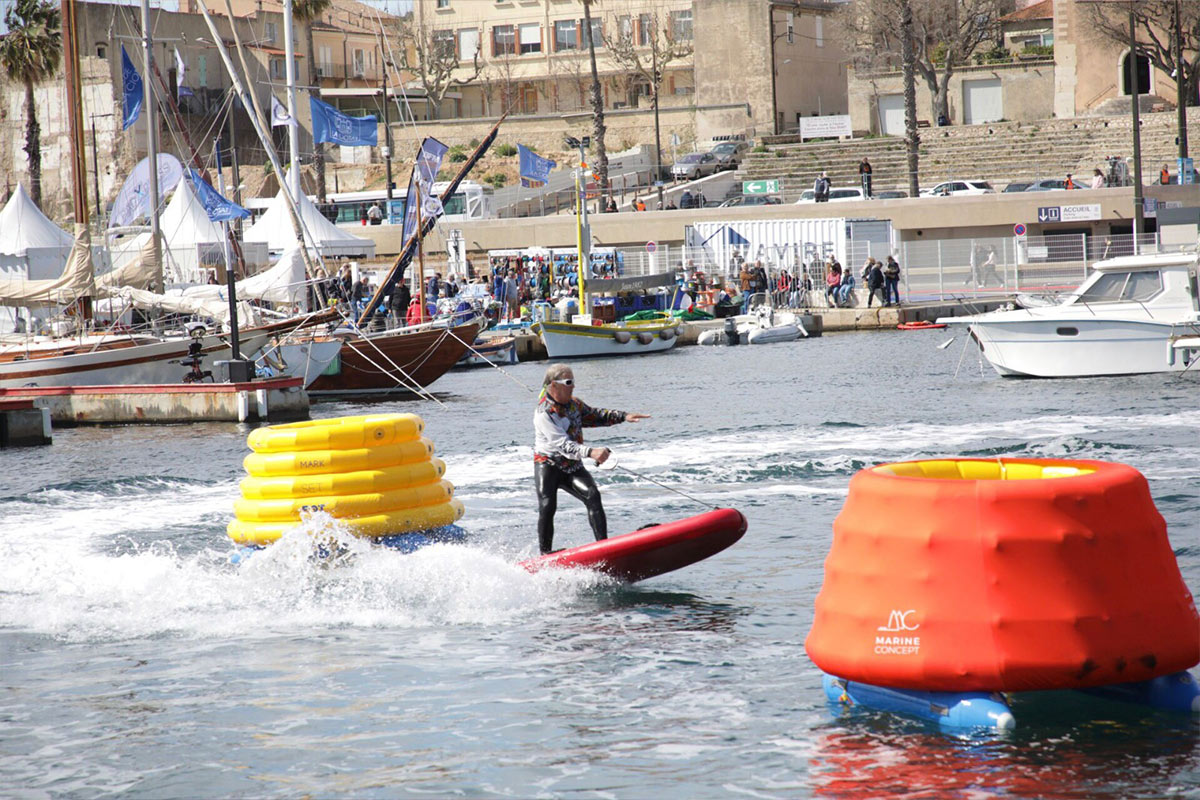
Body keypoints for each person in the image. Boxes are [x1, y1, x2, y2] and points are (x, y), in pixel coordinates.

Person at [533, 364, 649, 554]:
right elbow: (563, 446)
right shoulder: (544, 414)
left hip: (572, 466)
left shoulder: (574, 404)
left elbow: (594, 416)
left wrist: (624, 416)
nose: (573, 386)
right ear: (553, 385)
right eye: (568, 382)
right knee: (547, 505)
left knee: (592, 495)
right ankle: (545, 554)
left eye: (573, 381)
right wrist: (591, 452)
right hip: (548, 464)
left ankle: (603, 547)